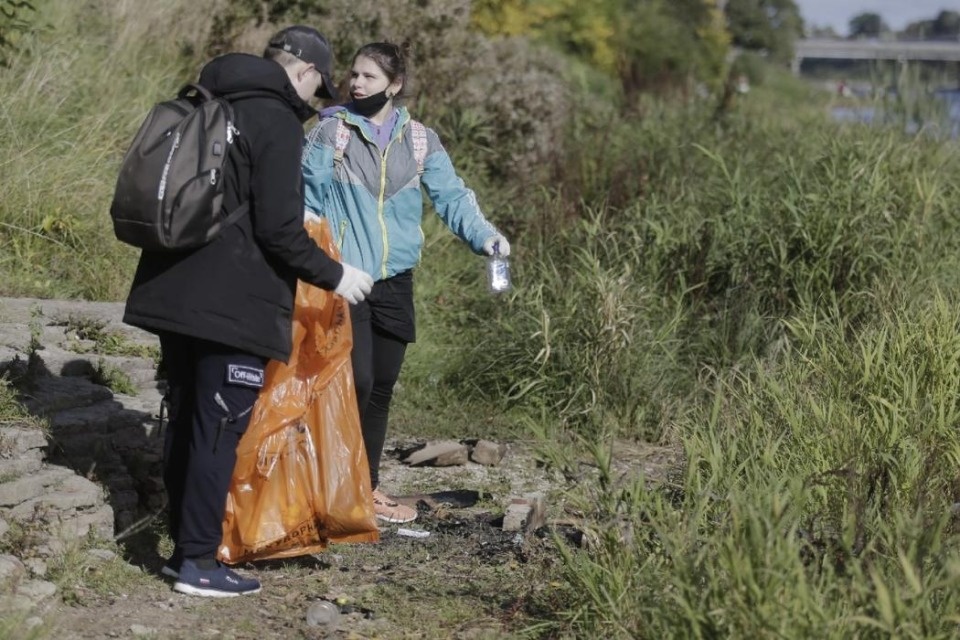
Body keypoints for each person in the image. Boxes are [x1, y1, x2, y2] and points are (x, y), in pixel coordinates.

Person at [123, 25, 374, 597]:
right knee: (216, 431)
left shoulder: (207, 99)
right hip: (231, 303)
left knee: (189, 416)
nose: (314, 100)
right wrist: (339, 276)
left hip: (173, 289)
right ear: (306, 73)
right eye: (317, 87)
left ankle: (182, 550)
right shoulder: (276, 121)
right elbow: (279, 230)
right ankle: (196, 563)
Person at [301, 42, 510, 524]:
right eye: (354, 74)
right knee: (356, 380)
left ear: (394, 86)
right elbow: (306, 199)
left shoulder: (419, 140)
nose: (356, 84)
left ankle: (366, 487)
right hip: (346, 278)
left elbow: (453, 196)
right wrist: (312, 263)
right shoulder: (331, 131)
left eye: (369, 78)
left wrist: (487, 238)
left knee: (381, 388)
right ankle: (330, 485)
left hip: (395, 280)